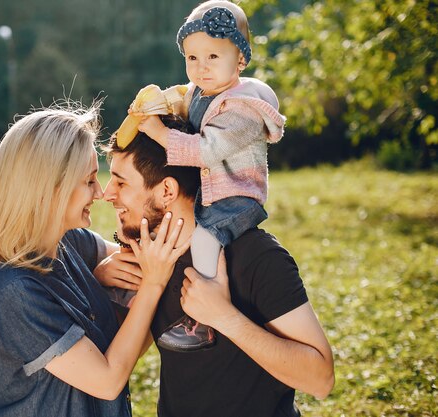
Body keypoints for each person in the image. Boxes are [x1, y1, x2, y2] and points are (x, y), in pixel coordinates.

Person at [0, 104, 189, 417]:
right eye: (90, 180)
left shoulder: (69, 243)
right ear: (49, 189)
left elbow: (148, 264)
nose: (100, 193)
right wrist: (152, 284)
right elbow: (107, 380)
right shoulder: (14, 293)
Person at [102, 118, 334, 417]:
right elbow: (109, 360)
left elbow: (321, 379)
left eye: (120, 182)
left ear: (167, 192)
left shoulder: (255, 256)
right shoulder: (151, 262)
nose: (107, 194)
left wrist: (225, 318)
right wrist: (99, 278)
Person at [130, 0, 287, 351]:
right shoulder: (204, 92)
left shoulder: (244, 107)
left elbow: (207, 149)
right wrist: (159, 108)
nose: (201, 68)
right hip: (211, 189)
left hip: (236, 195)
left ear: (240, 60)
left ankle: (210, 312)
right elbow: (185, 105)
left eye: (213, 57)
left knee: (204, 238)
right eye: (192, 58)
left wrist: (158, 133)